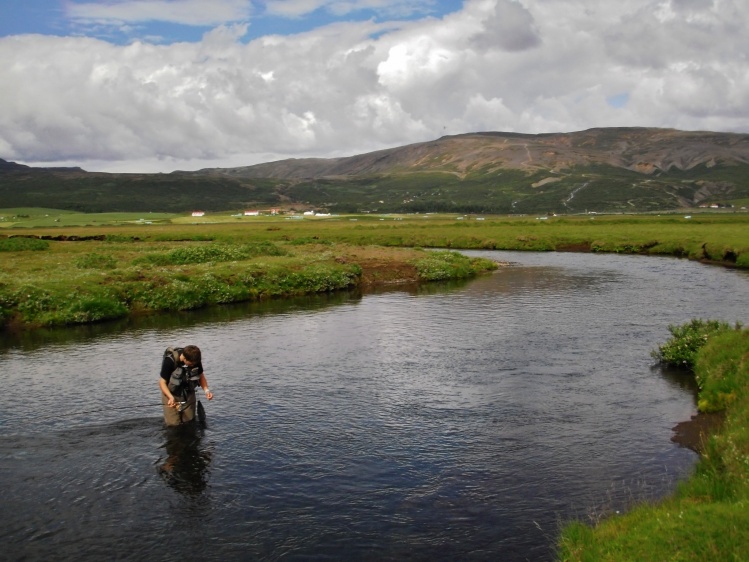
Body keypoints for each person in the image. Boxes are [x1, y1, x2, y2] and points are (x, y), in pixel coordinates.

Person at [159, 345, 214, 426]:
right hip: (171, 395)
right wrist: (170, 397)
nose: (193, 365)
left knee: (189, 423)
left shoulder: (195, 360)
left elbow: (201, 376)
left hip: (189, 395)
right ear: (184, 358)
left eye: (194, 364)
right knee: (173, 425)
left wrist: (206, 390)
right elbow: (162, 382)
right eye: (191, 364)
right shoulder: (169, 361)